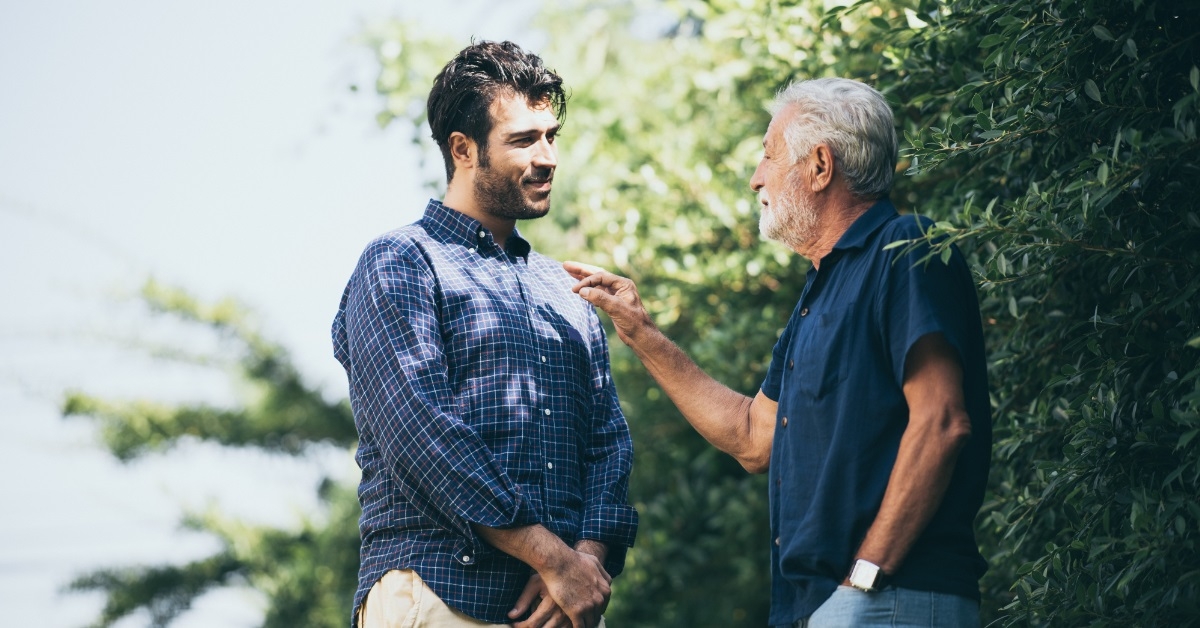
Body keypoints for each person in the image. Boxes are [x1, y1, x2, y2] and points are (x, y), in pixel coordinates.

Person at [566, 78, 991, 627]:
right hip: (825, 606)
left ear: (820, 166)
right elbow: (751, 437)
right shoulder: (818, 294)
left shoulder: (904, 250)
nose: (755, 179)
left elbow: (942, 423)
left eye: (768, 155)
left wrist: (862, 580)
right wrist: (640, 331)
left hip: (888, 598)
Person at [332, 40, 637, 628]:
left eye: (551, 136)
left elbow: (608, 444)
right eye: (524, 140)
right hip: (439, 594)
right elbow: (420, 432)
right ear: (463, 150)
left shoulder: (565, 291)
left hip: (563, 608)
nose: (547, 157)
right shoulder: (400, 263)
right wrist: (552, 558)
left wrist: (586, 564)